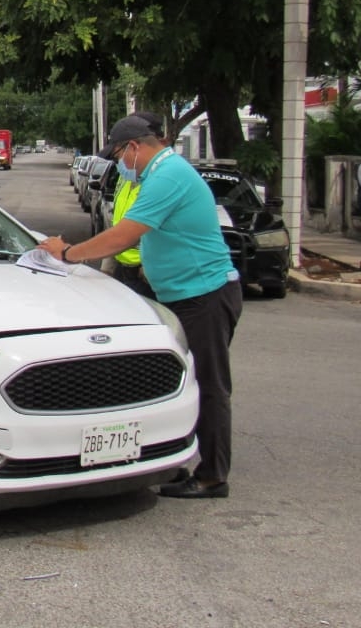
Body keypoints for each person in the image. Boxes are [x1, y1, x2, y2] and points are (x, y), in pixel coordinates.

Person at [38, 112, 242, 499]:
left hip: (206, 297)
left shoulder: (168, 176)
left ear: (134, 147)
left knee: (209, 386)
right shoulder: (161, 173)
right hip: (183, 295)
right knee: (185, 382)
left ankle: (214, 475)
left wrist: (67, 253)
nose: (118, 165)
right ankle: (184, 460)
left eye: (118, 156)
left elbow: (123, 235)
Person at [102, 111, 161, 300]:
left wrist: (69, 254)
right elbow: (117, 222)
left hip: (146, 275)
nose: (119, 161)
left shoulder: (161, 179)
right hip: (123, 269)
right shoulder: (128, 175)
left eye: (119, 153)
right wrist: (108, 266)